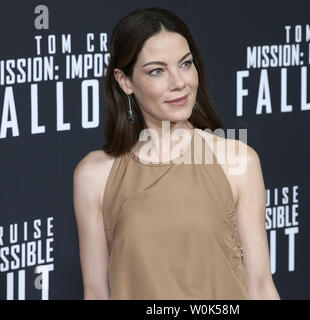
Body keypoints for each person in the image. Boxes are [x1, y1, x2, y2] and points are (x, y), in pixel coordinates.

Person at [73, 7, 280, 300]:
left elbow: (259, 286)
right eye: (157, 71)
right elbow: (96, 294)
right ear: (125, 81)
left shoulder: (238, 161)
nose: (179, 82)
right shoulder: (94, 175)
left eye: (185, 64)